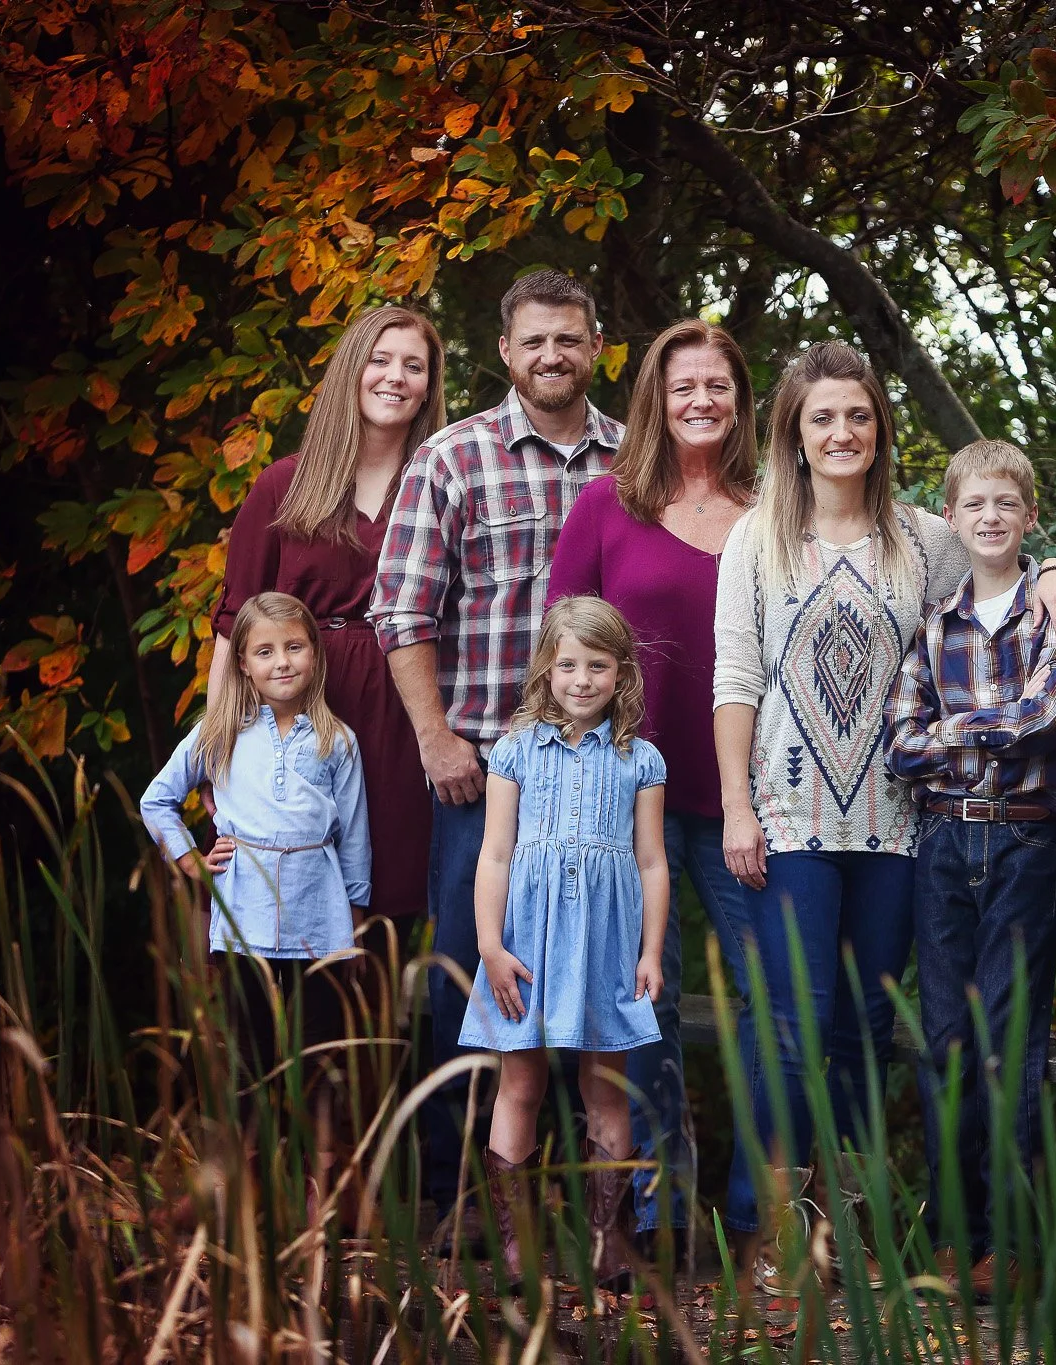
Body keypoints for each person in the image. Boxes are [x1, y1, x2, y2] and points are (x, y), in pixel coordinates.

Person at [710, 341, 1056, 1288]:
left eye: (857, 415)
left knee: (871, 1020)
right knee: (793, 1021)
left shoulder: (921, 538)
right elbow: (736, 676)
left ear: (880, 428)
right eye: (822, 417)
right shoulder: (757, 537)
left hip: (902, 822)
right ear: (792, 433)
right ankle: (780, 1239)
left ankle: (852, 1231)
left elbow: (1007, 561)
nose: (841, 431)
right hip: (788, 818)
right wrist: (736, 804)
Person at [370, 269, 624, 1221]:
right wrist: (436, 740)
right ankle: (455, 1198)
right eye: (534, 342)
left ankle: (573, 1201)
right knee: (471, 982)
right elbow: (401, 610)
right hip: (481, 772)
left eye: (569, 338)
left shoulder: (632, 461)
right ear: (505, 353)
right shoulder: (452, 457)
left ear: (596, 344)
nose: (552, 356)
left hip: (600, 777)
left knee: (592, 982)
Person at [545, 318, 760, 1244]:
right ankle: (652, 1214)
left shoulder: (776, 505)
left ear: (742, 400)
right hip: (627, 799)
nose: (701, 400)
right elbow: (561, 652)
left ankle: (762, 1219)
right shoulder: (606, 504)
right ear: (655, 401)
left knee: (772, 998)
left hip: (749, 799)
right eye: (683, 387)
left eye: (718, 385)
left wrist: (1044, 573)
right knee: (642, 1003)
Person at [883, 438, 1056, 1299]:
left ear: (1029, 515)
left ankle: (1012, 1240)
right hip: (942, 845)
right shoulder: (935, 626)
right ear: (953, 520)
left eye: (1006, 503)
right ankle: (952, 1238)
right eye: (975, 505)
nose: (991, 517)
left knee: (1009, 1038)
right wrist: (977, 730)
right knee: (945, 1044)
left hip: (1026, 842)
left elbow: (1052, 707)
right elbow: (900, 744)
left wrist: (959, 732)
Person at [210, 305, 445, 960]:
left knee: (384, 920)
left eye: (414, 365)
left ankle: (378, 1058)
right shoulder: (286, 484)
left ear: (429, 386)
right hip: (300, 714)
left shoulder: (439, 485)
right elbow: (234, 631)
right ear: (352, 371)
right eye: (381, 359)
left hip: (404, 718)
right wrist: (221, 756)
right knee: (286, 906)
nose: (395, 377)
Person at [464, 596, 669, 1291]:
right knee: (520, 1081)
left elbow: (651, 862)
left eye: (598, 666)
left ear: (621, 673)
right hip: (526, 941)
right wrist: (490, 944)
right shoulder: (515, 750)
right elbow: (494, 854)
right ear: (547, 669)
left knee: (606, 1088)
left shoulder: (640, 760)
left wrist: (650, 951)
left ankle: (609, 1242)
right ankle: (517, 1246)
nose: (582, 679)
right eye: (569, 664)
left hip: (607, 944)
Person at [140, 592, 371, 1190]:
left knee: (321, 1056)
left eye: (294, 647)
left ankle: (324, 1193)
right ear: (243, 662)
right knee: (248, 1056)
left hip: (319, 923)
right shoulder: (220, 732)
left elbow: (354, 838)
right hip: (243, 923)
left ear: (315, 655)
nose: (282, 662)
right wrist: (191, 860)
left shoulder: (336, 741)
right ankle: (247, 1194)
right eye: (265, 652)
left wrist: (355, 921)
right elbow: (157, 800)